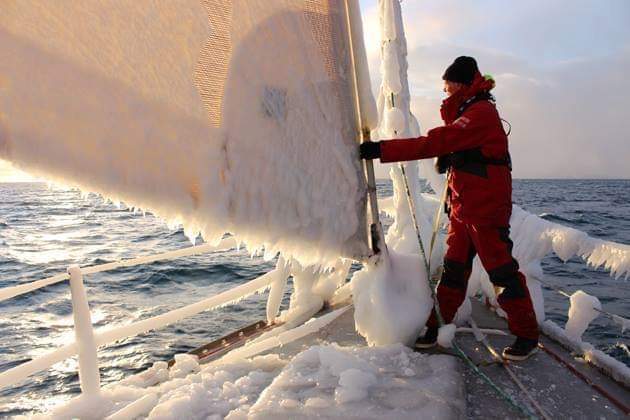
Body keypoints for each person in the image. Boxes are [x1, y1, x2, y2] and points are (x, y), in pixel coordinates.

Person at [360, 56, 539, 361]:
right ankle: (437, 326)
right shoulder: (469, 111)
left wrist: (382, 150)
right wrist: (454, 160)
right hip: (464, 211)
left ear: (462, 84)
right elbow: (457, 144)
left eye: (448, 86)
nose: (445, 92)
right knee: (453, 272)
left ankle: (527, 335)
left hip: (485, 211)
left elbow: (439, 140)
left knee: (502, 273)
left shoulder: (480, 112)